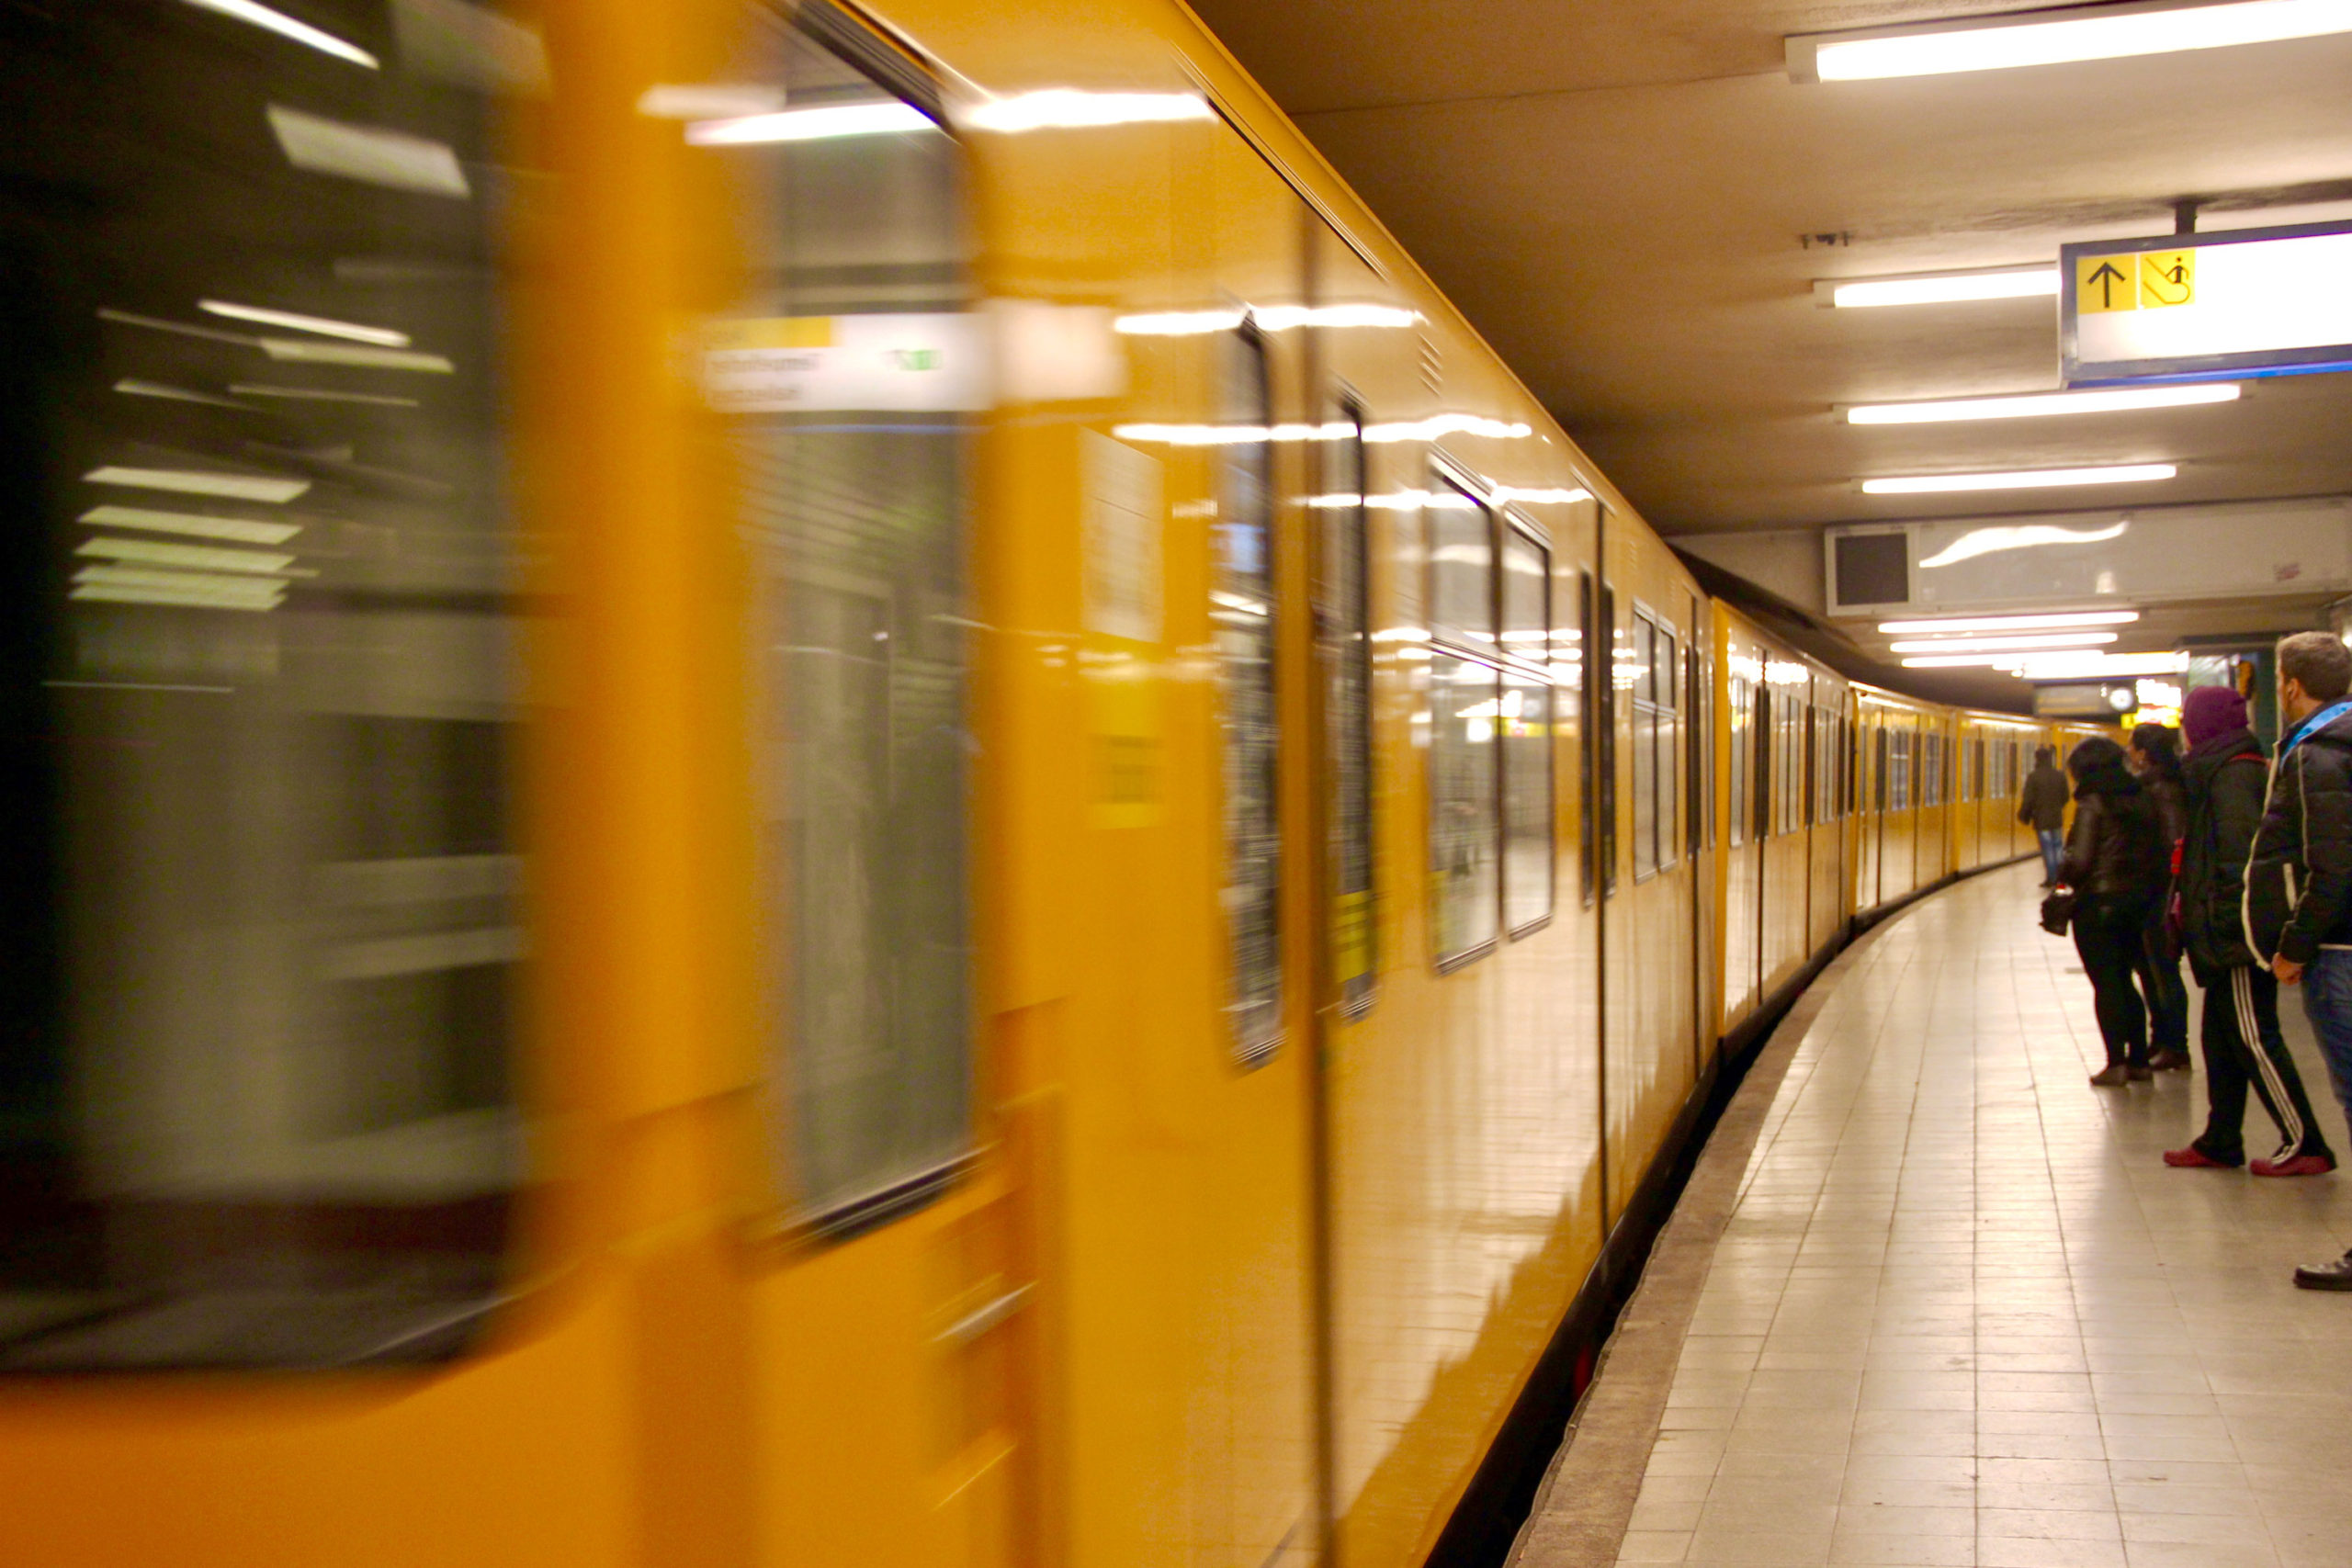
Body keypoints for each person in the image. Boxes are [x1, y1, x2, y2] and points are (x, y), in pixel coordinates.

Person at [2163, 686, 2335, 1176]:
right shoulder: (2221, 770)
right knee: (2220, 1038)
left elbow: (2240, 862)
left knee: (2254, 1036)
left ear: (2203, 725)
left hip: (2234, 935)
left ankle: (2305, 1142)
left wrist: (2225, 932)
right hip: (2220, 932)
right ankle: (2220, 1139)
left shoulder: (2233, 775)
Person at [2246, 631, 2352, 1289]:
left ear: (2289, 685)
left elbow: (2332, 867)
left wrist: (2292, 946)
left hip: (2339, 951)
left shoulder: (2319, 754)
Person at [2058, 735, 2169, 1087]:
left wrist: (2063, 875)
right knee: (2126, 979)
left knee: (2107, 984)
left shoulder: (2092, 802)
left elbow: (2081, 861)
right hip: (2138, 902)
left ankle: (2115, 1063)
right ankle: (2138, 1061)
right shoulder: (2140, 796)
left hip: (2099, 905)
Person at [2127, 723, 2191, 1071]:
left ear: (2145, 753)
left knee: (2163, 970)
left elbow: (2172, 842)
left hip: (2160, 892)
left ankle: (2175, 1045)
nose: (2129, 754)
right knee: (2152, 970)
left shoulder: (2161, 789)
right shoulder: (2163, 784)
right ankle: (2162, 1039)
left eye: (2132, 747)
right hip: (2155, 890)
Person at [2019, 745, 2069, 887]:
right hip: (2056, 818)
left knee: (2047, 849)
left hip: (2041, 819)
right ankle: (2060, 878)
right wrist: (2057, 806)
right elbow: (2066, 796)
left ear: (2037, 759)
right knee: (2058, 848)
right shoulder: (2060, 775)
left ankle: (2051, 878)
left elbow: (2028, 799)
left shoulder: (2033, 777)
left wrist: (2025, 815)